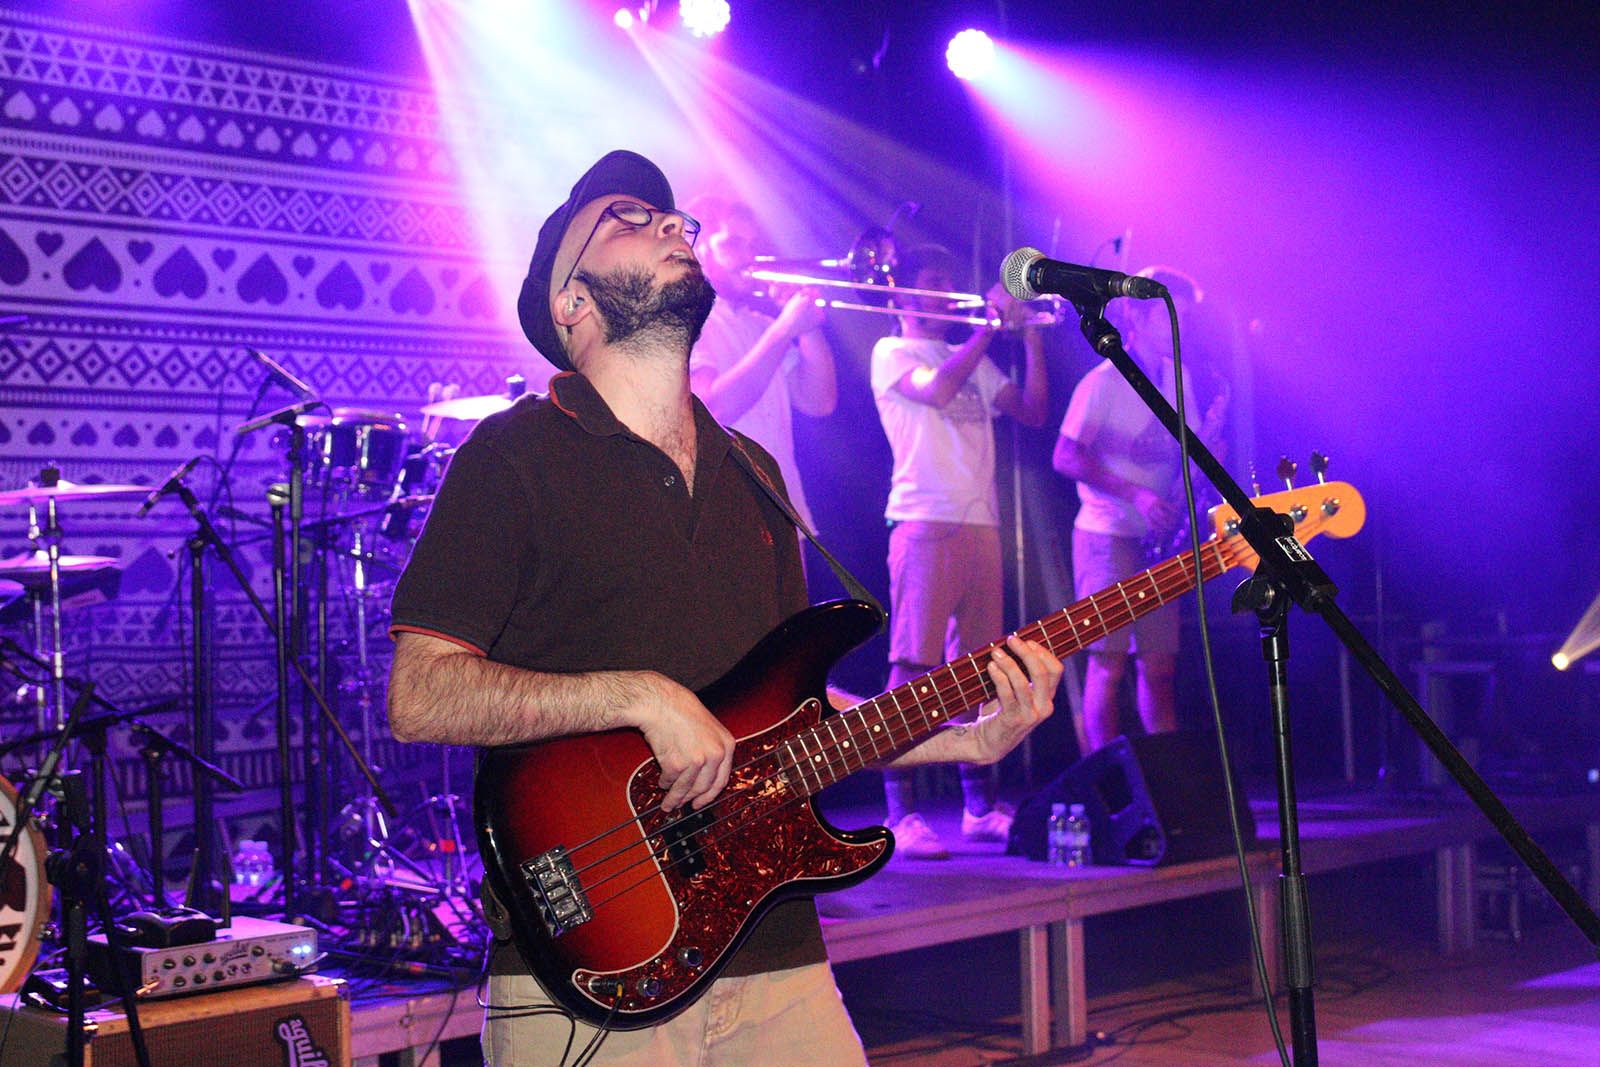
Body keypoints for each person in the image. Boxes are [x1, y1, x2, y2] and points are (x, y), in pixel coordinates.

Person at [384, 151, 1063, 1066]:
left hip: (777, 955)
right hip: (592, 968)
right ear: (571, 302)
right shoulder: (511, 457)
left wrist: (965, 740)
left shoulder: (757, 473)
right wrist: (641, 697)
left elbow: (794, 720)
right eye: (627, 218)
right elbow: (420, 695)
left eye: (674, 218)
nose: (672, 223)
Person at [870, 244, 1050, 860]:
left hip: (981, 523)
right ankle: (901, 814)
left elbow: (1032, 412)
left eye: (950, 282)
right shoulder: (892, 351)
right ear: (902, 295)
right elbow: (939, 391)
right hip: (924, 520)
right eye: (932, 282)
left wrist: (1030, 337)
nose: (946, 293)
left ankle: (979, 808)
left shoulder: (971, 355)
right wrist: (989, 328)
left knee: (977, 671)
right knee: (912, 668)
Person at [1051, 266, 1226, 756]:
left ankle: (1165, 780)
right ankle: (1106, 778)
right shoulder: (1104, 381)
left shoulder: (1179, 377)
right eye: (1168, 317)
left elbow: (1185, 452)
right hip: (1107, 535)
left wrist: (1209, 453)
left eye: (1183, 318)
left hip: (1158, 539)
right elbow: (1064, 456)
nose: (1178, 328)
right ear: (1133, 315)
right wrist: (1138, 495)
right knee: (1108, 664)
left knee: (1160, 665)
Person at [686, 195, 837, 530]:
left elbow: (819, 402)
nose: (748, 256)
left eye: (753, 245)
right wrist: (785, 330)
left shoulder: (762, 325)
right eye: (733, 244)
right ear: (699, 251)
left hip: (785, 512)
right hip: (728, 519)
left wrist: (808, 327)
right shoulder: (687, 320)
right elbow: (713, 410)